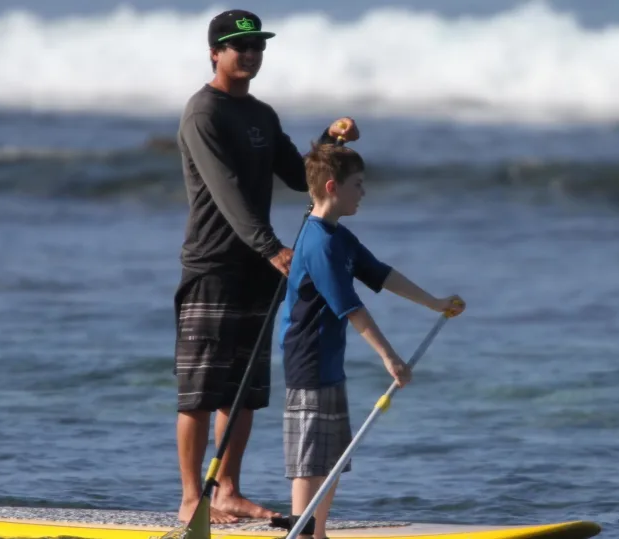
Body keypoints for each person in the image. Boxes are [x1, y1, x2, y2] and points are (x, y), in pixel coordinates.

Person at [173, 8, 361, 525]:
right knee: (199, 389)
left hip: (257, 267)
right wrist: (272, 247)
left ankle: (227, 491)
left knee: (245, 389)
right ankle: (193, 497)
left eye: (258, 46)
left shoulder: (261, 114)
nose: (251, 54)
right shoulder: (202, 113)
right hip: (213, 265)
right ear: (215, 52)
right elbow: (226, 191)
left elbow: (300, 176)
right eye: (241, 47)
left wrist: (329, 142)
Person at [277, 143, 466, 539]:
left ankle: (319, 533)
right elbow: (351, 307)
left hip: (329, 359)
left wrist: (433, 302)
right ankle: (300, 529)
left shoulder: (340, 238)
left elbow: (381, 274)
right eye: (358, 185)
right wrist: (390, 357)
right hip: (307, 358)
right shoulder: (319, 244)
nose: (363, 192)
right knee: (309, 457)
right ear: (333, 186)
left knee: (333, 456)